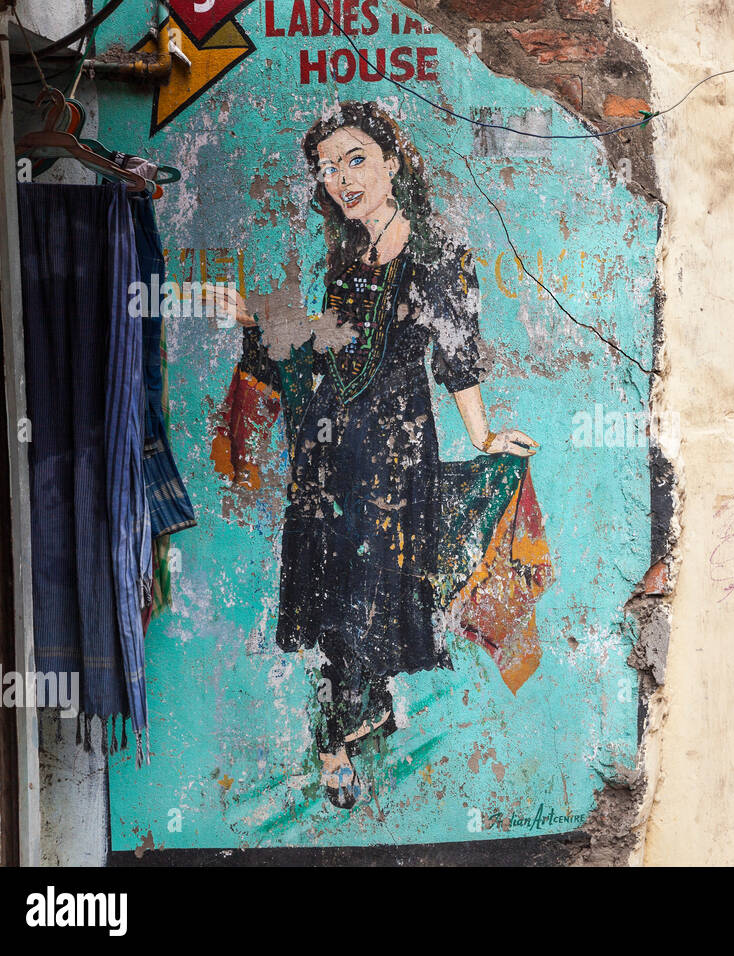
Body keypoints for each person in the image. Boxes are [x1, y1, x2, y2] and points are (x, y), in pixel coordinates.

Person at [217, 102, 538, 808]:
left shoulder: (435, 252)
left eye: (355, 158)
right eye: (328, 168)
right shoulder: (347, 255)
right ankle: (357, 715)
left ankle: (343, 734)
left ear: (392, 161)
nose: (340, 178)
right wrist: (264, 319)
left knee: (375, 587)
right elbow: (333, 348)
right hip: (329, 453)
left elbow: (457, 355)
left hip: (394, 452)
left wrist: (484, 437)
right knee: (337, 591)